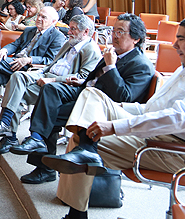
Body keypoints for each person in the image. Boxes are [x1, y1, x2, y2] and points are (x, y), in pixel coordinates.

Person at [43, 17, 185, 219]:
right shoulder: (183, 69)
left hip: (178, 151)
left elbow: (178, 118)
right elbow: (152, 109)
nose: (174, 45)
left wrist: (115, 126)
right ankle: (85, 155)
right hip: (158, 134)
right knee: (93, 95)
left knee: (83, 138)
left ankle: (76, 214)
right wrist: (116, 108)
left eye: (181, 39)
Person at [9, 14, 154, 178]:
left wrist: (111, 67)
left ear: (136, 38)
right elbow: (96, 79)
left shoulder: (141, 65)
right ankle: (37, 139)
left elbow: (124, 97)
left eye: (120, 32)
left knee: (49, 113)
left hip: (101, 107)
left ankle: (44, 164)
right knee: (50, 90)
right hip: (85, 91)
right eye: (113, 31)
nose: (114, 36)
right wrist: (81, 82)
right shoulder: (114, 53)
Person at [0, 15, 101, 163]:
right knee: (17, 78)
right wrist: (40, 73)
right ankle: (6, 126)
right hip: (45, 74)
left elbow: (82, 77)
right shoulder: (69, 43)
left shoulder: (91, 50)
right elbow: (52, 64)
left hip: (61, 85)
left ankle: (9, 135)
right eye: (69, 28)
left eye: (73, 29)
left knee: (17, 93)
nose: (69, 32)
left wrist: (53, 80)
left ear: (85, 32)